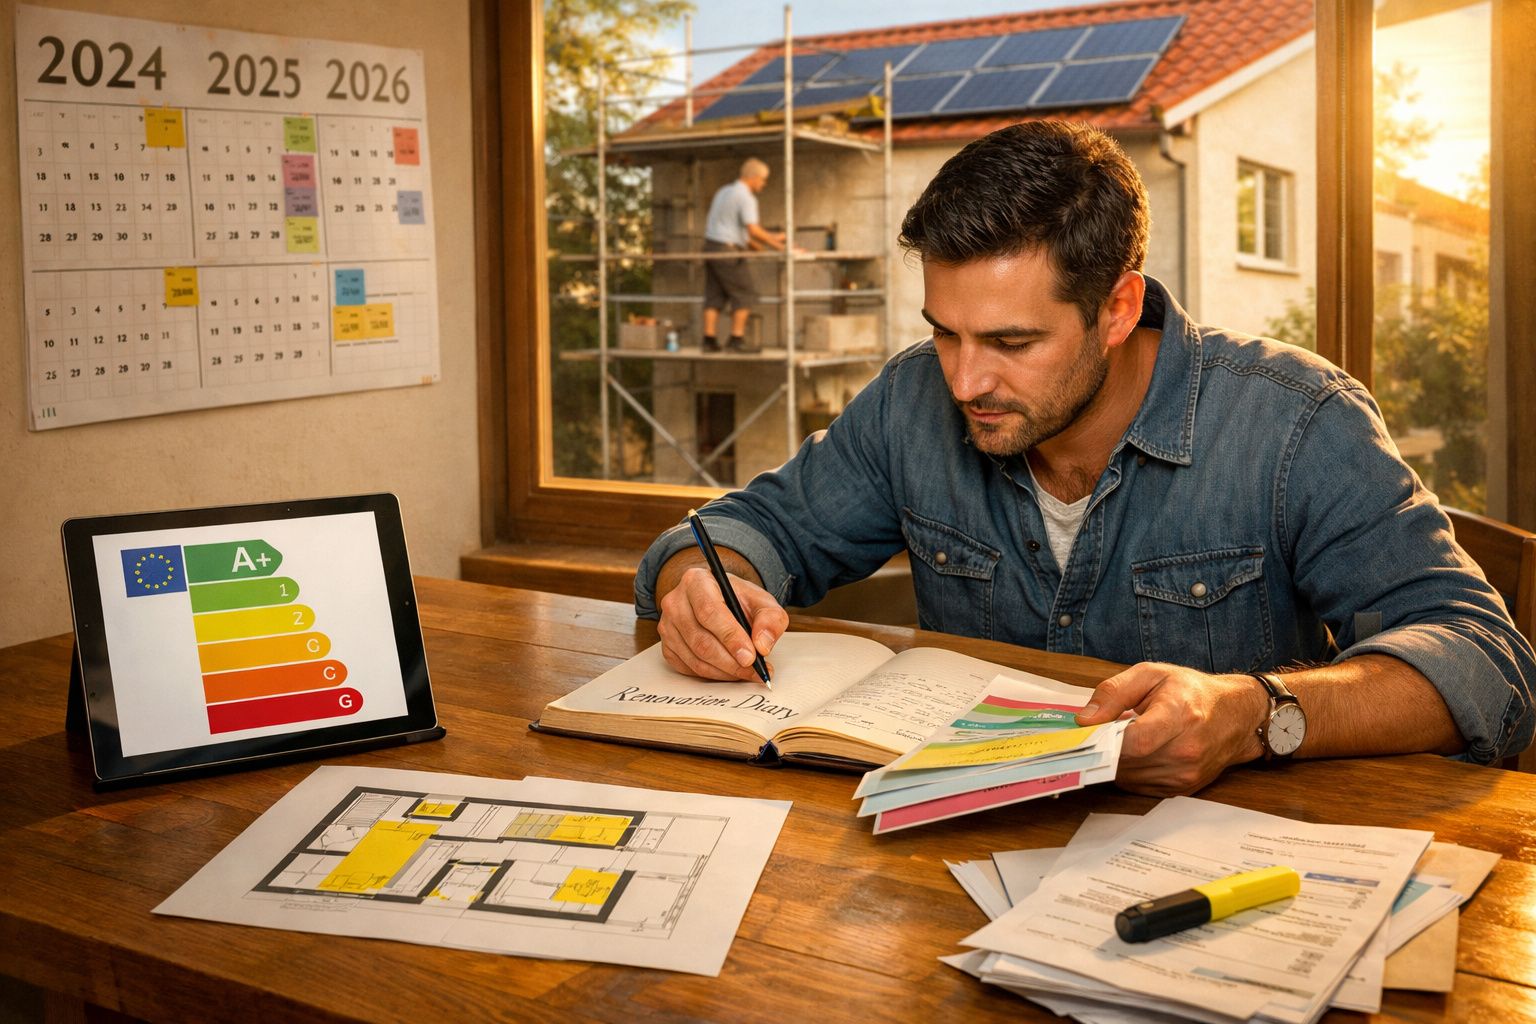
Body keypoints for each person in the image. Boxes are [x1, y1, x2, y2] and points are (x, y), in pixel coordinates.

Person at [635, 120, 1535, 796]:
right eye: (944, 333)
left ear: (1117, 307)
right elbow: (743, 529)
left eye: (1011, 342)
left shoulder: (1296, 422)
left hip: (1230, 881)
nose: (963, 378)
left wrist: (1258, 715)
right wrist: (700, 583)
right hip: (948, 855)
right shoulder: (913, 400)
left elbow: (1487, 664)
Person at [701, 157, 786, 352]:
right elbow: (753, 230)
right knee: (745, 293)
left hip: (711, 247)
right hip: (728, 251)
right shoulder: (746, 197)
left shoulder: (724, 192)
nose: (763, 184)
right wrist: (781, 248)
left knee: (714, 295)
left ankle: (709, 340)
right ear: (753, 177)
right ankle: (736, 340)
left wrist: (771, 241)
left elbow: (741, 233)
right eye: (763, 180)